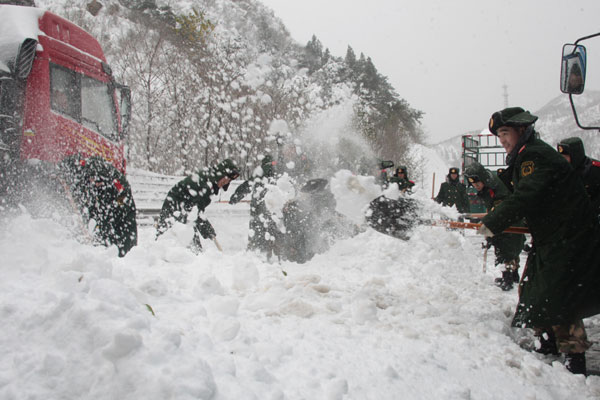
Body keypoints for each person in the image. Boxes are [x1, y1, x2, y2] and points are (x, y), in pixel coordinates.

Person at [479, 106, 600, 375]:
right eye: (499, 136)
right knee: (533, 289)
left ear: (522, 130)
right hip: (552, 237)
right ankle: (546, 344)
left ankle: (575, 360)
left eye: (505, 133)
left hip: (568, 238)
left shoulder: (535, 156)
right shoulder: (525, 157)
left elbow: (525, 197)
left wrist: (492, 224)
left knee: (560, 296)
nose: (503, 141)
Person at [156, 159, 240, 253]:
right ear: (221, 174)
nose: (226, 182)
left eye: (229, 181)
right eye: (226, 179)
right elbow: (196, 211)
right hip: (175, 205)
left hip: (185, 207)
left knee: (188, 240)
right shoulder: (206, 184)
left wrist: (207, 230)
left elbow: (197, 210)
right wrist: (208, 230)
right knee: (167, 237)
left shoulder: (211, 181)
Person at [464, 162, 525, 290]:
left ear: (482, 178)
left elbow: (499, 209)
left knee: (506, 247)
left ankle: (508, 279)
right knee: (510, 246)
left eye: (477, 183)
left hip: (508, 219)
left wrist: (488, 227)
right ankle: (513, 275)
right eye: (473, 184)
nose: (476, 186)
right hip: (507, 218)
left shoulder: (494, 187)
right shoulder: (489, 182)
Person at [230, 155, 279, 258]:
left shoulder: (259, 172)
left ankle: (254, 251)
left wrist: (235, 197)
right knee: (270, 228)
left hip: (257, 206)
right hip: (271, 206)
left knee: (256, 228)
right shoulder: (277, 172)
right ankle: (270, 252)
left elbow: (247, 186)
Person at [557, 137, 600, 219]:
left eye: (566, 157)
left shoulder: (595, 170)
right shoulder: (561, 172)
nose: (563, 161)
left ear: (575, 156)